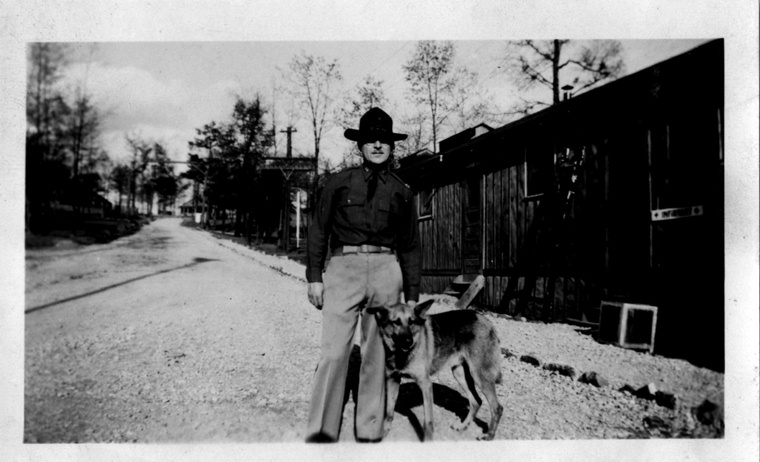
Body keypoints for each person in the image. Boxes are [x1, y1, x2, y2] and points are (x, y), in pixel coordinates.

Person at [304, 107, 421, 443]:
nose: (378, 145)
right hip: (344, 269)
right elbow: (318, 229)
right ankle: (321, 432)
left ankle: (369, 432)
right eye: (371, 139)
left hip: (386, 270)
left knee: (378, 353)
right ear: (360, 145)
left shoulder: (402, 191)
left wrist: (412, 296)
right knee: (333, 352)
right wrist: (315, 277)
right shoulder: (338, 183)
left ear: (392, 145)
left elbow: (410, 245)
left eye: (384, 140)